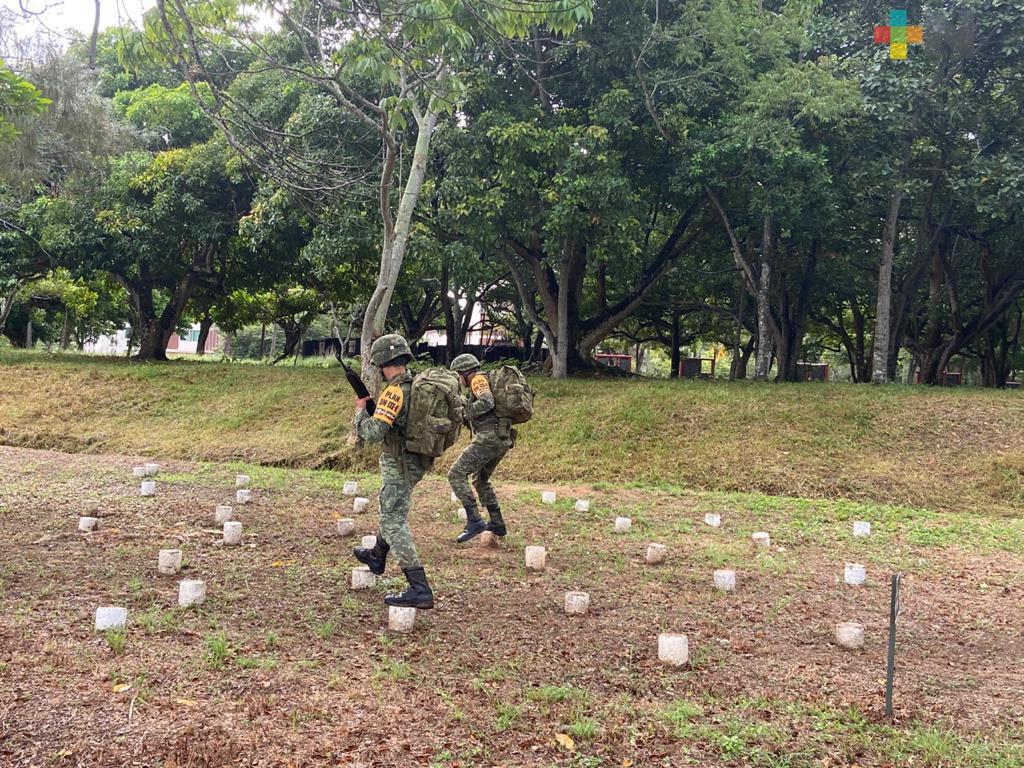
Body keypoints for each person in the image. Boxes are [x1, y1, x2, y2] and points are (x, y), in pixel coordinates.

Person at [351, 334, 434, 609]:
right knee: (393, 511)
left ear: (383, 362)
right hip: (415, 460)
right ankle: (377, 555)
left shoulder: (394, 392)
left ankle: (419, 587)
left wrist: (361, 411)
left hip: (398, 463)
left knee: (392, 521)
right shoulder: (415, 387)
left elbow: (373, 433)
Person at [447, 353, 514, 543]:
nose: (459, 380)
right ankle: (497, 523)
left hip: (489, 437)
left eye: (458, 375)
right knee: (480, 480)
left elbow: (487, 401)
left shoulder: (477, 379)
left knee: (456, 473)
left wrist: (465, 413)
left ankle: (474, 520)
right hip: (501, 437)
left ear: (465, 371)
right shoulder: (480, 380)